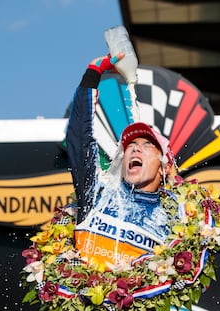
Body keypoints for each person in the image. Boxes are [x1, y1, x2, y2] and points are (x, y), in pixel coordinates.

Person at [66, 54, 179, 269]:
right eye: (130, 145)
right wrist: (93, 74)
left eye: (148, 145)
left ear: (164, 166)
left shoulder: (175, 219)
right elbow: (79, 140)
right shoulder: (97, 194)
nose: (135, 148)